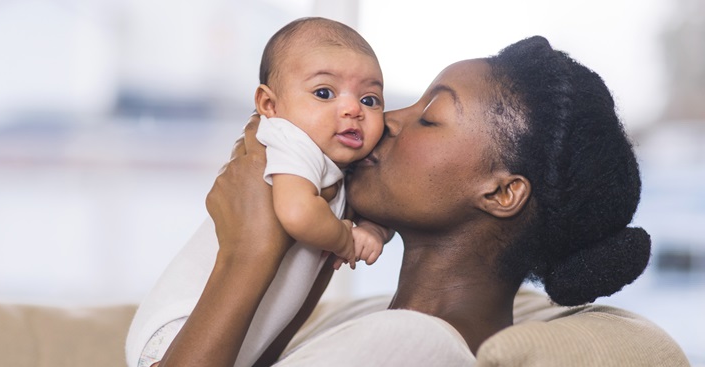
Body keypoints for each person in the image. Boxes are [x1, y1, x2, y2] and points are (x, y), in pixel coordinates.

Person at [151, 35, 654, 367]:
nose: (386, 119)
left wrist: (247, 254)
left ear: (502, 192)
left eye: (430, 117)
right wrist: (311, 254)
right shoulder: (379, 323)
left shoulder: (412, 346)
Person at [126, 17, 392, 367]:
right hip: (177, 330)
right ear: (270, 106)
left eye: (370, 99)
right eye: (324, 93)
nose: (353, 109)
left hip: (235, 337)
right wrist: (346, 239)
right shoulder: (290, 141)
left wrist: (373, 230)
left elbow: (377, 210)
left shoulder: (338, 165)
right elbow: (298, 213)